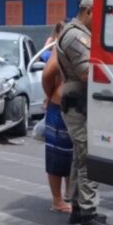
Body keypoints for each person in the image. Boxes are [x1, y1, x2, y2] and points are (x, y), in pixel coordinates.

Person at [57, 0, 113, 225]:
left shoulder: (79, 33)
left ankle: (77, 209)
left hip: (79, 102)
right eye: (99, 14)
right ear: (89, 11)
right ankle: (88, 216)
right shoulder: (76, 36)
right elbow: (85, 73)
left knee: (79, 158)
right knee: (88, 158)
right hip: (77, 103)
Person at [41, 48, 72, 213]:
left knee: (71, 153)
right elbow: (48, 73)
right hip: (60, 106)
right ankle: (57, 200)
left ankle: (68, 194)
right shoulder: (64, 43)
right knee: (57, 155)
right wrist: (51, 93)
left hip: (72, 107)